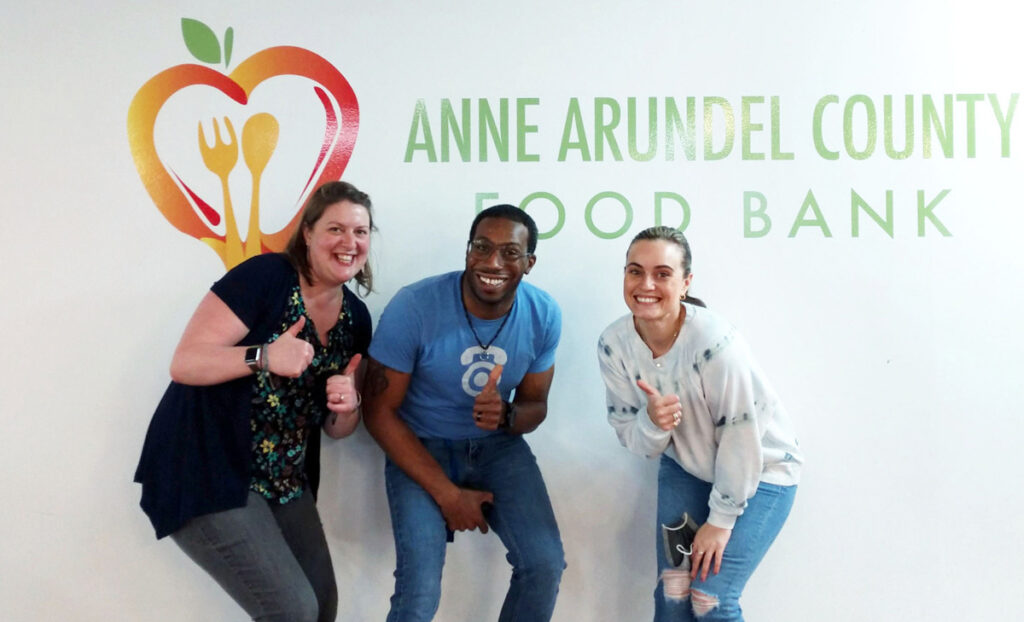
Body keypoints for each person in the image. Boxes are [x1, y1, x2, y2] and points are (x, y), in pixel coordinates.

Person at [133, 181, 375, 622]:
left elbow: (338, 429)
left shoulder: (355, 318)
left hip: (284, 480)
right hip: (207, 469)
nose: (349, 242)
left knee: (321, 609)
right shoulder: (265, 277)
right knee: (291, 610)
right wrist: (264, 355)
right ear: (307, 233)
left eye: (360, 232)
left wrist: (349, 405)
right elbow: (185, 363)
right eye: (335, 229)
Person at [363, 205, 565, 622]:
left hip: (498, 448)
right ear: (467, 251)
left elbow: (536, 405)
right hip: (420, 444)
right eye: (482, 247)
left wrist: (507, 416)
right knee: (418, 591)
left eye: (510, 252)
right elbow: (379, 413)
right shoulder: (414, 306)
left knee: (543, 564)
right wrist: (448, 495)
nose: (493, 262)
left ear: (530, 263)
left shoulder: (543, 313)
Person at [597, 226, 803, 622]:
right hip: (687, 467)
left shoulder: (716, 345)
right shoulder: (613, 344)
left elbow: (742, 439)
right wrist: (654, 423)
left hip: (762, 471)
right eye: (635, 271)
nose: (646, 284)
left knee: (709, 599)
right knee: (674, 592)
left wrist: (720, 522)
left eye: (663, 273)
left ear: (686, 282)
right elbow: (633, 438)